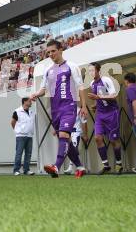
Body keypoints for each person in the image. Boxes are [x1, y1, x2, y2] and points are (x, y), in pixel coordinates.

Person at [30, 40, 87, 178]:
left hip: (69, 106)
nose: (50, 54)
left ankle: (56, 166)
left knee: (63, 135)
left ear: (61, 50)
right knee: (65, 140)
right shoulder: (48, 70)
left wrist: (84, 106)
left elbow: (80, 87)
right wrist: (36, 94)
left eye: (53, 51)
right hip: (55, 110)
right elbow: (43, 89)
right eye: (48, 52)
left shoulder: (72, 66)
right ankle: (80, 166)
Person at [87, 63, 123, 174]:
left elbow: (113, 96)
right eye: (89, 71)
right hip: (100, 115)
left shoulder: (106, 80)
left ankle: (118, 164)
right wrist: (95, 105)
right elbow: (98, 99)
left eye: (93, 70)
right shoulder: (92, 83)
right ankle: (106, 165)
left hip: (112, 113)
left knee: (113, 140)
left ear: (98, 71)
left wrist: (98, 97)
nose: (91, 73)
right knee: (97, 138)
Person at [11, 98, 35, 176]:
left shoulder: (31, 112)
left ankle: (26, 170)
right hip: (20, 135)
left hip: (29, 135)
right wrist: (17, 130)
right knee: (19, 153)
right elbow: (12, 122)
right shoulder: (17, 111)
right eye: (29, 101)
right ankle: (16, 170)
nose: (31, 102)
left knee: (28, 154)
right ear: (24, 102)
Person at [64, 107, 88, 174]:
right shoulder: (65, 109)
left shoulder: (79, 110)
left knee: (74, 148)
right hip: (68, 132)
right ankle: (79, 167)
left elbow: (84, 122)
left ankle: (71, 168)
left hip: (76, 132)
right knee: (68, 149)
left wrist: (85, 134)